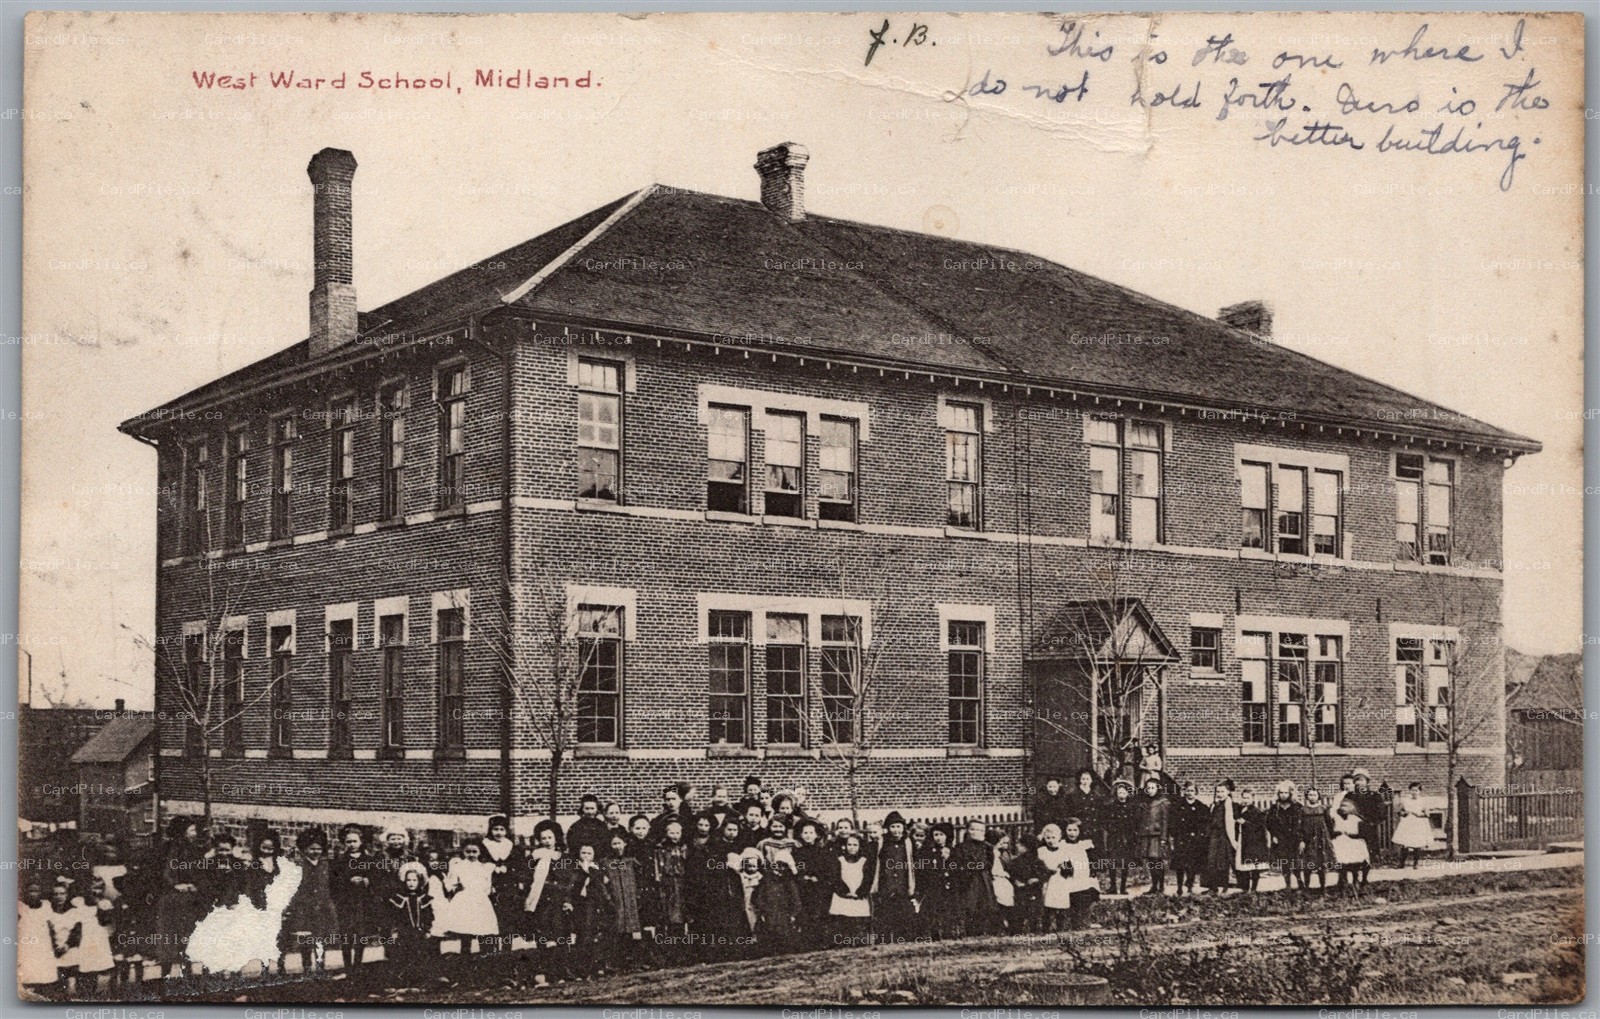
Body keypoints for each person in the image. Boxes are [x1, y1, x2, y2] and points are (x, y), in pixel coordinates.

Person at [153, 816, 207, 976]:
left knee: (188, 936)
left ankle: (188, 975)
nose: (195, 833)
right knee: (169, 937)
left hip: (189, 899)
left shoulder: (194, 850)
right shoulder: (168, 849)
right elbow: (164, 872)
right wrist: (175, 885)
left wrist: (196, 885)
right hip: (172, 899)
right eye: (191, 830)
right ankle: (166, 975)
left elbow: (200, 873)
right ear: (182, 832)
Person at [282, 828, 340, 974]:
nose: (316, 852)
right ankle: (307, 967)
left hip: (324, 906)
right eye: (312, 848)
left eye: (319, 849)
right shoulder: (298, 866)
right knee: (306, 939)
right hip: (304, 908)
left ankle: (323, 967)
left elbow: (333, 885)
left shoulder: (326, 865)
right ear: (304, 849)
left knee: (324, 937)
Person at [332, 825, 378, 974]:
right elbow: (334, 881)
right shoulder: (340, 860)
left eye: (354, 841)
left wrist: (366, 880)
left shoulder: (369, 860)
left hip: (363, 903)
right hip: (346, 903)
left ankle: (357, 965)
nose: (351, 844)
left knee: (361, 935)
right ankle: (347, 967)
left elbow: (376, 878)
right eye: (348, 841)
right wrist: (348, 881)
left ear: (361, 842)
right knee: (346, 936)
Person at [1038, 820, 1096, 931]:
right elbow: (1039, 867)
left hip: (1061, 881)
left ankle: (1061, 928)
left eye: (1053, 838)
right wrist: (1048, 870)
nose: (1050, 841)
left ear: (1059, 837)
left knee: (1061, 904)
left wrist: (1064, 867)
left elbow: (1070, 868)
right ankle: (1046, 928)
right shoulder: (1042, 851)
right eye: (1048, 838)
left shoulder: (1063, 851)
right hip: (1048, 881)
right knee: (1048, 905)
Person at [565, 844, 614, 979]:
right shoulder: (575, 869)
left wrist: (608, 901)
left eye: (589, 853)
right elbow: (570, 887)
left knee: (598, 935)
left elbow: (603, 887)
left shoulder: (597, 869)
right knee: (583, 935)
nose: (586, 856)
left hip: (596, 904)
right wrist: (568, 902)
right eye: (583, 853)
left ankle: (598, 966)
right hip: (581, 905)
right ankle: (582, 969)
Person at [442, 839, 499, 953]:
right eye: (468, 851)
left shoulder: (485, 867)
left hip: (480, 900)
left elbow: (487, 885)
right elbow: (450, 884)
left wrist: (484, 893)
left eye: (474, 851)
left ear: (479, 852)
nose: (471, 854)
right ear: (463, 852)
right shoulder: (458, 866)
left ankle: (485, 955)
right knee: (465, 929)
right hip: (464, 900)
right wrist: (457, 887)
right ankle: (465, 956)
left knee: (483, 928)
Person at [482, 814, 528, 952]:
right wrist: (492, 868)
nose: (498, 833)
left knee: (507, 919)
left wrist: (511, 873)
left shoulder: (511, 847)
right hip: (491, 887)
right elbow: (481, 864)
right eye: (495, 829)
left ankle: (507, 951)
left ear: (506, 831)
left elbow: (519, 866)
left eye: (502, 829)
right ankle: (489, 951)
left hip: (508, 888)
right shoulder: (484, 846)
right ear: (490, 830)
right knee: (490, 919)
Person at [602, 832, 646, 970]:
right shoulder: (606, 863)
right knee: (617, 929)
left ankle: (635, 961)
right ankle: (617, 962)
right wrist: (608, 899)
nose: (617, 847)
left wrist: (639, 895)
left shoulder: (631, 861)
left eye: (619, 843)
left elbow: (641, 879)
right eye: (614, 844)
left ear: (625, 844)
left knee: (634, 930)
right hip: (616, 902)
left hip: (631, 901)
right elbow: (602, 884)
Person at [949, 819, 1000, 936]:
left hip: (983, 879)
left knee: (985, 905)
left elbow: (989, 863)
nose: (981, 832)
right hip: (968, 880)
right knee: (970, 906)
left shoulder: (987, 847)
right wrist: (973, 866)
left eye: (983, 830)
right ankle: (970, 931)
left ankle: (982, 931)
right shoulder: (960, 848)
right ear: (969, 831)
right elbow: (957, 864)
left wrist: (982, 867)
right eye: (977, 829)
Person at [871, 811, 917, 941]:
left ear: (903, 827)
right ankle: (886, 940)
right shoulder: (883, 843)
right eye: (893, 827)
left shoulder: (908, 843)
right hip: (887, 885)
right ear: (888, 828)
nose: (896, 830)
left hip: (903, 885)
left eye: (898, 826)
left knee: (904, 913)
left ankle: (904, 940)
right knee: (886, 914)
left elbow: (914, 863)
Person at [387, 861, 436, 972]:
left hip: (420, 931)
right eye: (408, 880)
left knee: (420, 953)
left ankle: (420, 978)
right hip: (404, 932)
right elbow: (395, 916)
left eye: (414, 880)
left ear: (420, 881)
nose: (411, 883)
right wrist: (395, 930)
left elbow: (428, 915)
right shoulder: (400, 898)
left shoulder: (424, 898)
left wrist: (427, 929)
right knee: (404, 954)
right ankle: (405, 978)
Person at [791, 819, 833, 946]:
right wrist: (803, 877)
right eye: (805, 833)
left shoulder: (823, 852)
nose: (808, 835)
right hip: (804, 888)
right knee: (805, 914)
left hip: (819, 889)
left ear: (816, 835)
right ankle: (807, 942)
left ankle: (821, 941)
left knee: (819, 913)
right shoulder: (797, 853)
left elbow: (827, 870)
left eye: (811, 832)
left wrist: (818, 878)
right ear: (801, 835)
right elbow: (796, 869)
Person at [915, 822, 956, 940]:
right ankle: (934, 935)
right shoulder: (928, 851)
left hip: (949, 886)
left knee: (948, 911)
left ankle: (949, 934)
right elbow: (923, 870)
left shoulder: (953, 851)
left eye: (941, 834)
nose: (938, 838)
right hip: (934, 886)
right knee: (933, 911)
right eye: (935, 835)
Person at [828, 833, 873, 941]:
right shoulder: (840, 860)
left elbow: (868, 878)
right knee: (842, 921)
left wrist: (860, 892)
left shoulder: (864, 861)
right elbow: (835, 877)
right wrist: (844, 891)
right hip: (843, 896)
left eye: (855, 845)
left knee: (858, 922)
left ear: (860, 846)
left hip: (858, 895)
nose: (852, 847)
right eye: (849, 844)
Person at [1131, 776, 1169, 895]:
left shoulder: (1163, 803)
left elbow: (1165, 822)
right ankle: (1154, 886)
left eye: (1153, 787)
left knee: (1157, 862)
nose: (1151, 790)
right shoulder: (1143, 803)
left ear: (1157, 788)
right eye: (1148, 788)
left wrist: (1163, 838)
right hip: (1146, 836)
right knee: (1151, 863)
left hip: (1156, 837)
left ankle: (1161, 886)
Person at [1169, 781, 1209, 896]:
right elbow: (1173, 823)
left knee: (1192, 864)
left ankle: (1190, 885)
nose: (1190, 793)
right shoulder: (1177, 806)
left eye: (1192, 791)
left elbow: (1205, 823)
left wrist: (1200, 836)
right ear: (1184, 791)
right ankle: (1179, 887)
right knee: (1180, 865)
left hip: (1195, 840)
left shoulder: (1201, 807)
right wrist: (1175, 835)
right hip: (1181, 839)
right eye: (1188, 790)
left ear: (1196, 792)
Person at [19, 883, 59, 994]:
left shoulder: (46, 906)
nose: (33, 894)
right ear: (26, 892)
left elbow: (51, 925)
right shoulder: (20, 907)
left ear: (41, 893)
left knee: (45, 975)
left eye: (36, 891)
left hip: (43, 945)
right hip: (27, 945)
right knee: (28, 974)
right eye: (31, 891)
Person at [1264, 781, 1304, 890]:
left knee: (1295, 862)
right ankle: (1288, 885)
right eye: (1281, 792)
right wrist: (1274, 835)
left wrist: (1301, 839)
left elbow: (1302, 824)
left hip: (1294, 838)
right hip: (1281, 838)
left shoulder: (1297, 807)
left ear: (1290, 793)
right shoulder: (1275, 808)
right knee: (1284, 862)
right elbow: (1269, 823)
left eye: (1286, 792)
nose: (1283, 795)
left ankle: (1300, 882)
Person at [1297, 788, 1335, 892]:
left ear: (1318, 796)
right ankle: (1307, 887)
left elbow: (1329, 824)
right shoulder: (1303, 810)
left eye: (1314, 795)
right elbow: (1299, 827)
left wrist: (1331, 838)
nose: (1312, 797)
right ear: (1306, 797)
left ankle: (1323, 888)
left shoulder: (1323, 809)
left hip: (1321, 840)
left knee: (1321, 864)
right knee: (1308, 865)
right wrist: (1301, 840)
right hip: (1308, 840)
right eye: (1310, 795)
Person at [1203, 780, 1239, 894]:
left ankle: (1225, 886)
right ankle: (1212, 887)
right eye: (1218, 791)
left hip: (1224, 835)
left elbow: (1233, 822)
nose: (1220, 794)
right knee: (1211, 861)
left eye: (1222, 791)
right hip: (1214, 835)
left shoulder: (1231, 805)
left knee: (1223, 862)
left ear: (1228, 792)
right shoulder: (1215, 805)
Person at [1234, 786, 1271, 893]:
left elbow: (1258, 827)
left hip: (1254, 842)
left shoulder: (1257, 812)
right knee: (1244, 866)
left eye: (1248, 798)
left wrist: (1244, 823)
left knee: (1253, 866)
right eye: (1244, 798)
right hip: (1243, 840)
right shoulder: (1240, 810)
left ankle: (1254, 888)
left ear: (1253, 799)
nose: (1245, 800)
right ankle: (1245, 888)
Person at [1348, 770, 1387, 867]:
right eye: (1356, 780)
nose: (1358, 782)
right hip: (1354, 826)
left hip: (1369, 826)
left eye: (1361, 780)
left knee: (1370, 847)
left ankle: (1370, 865)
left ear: (1367, 781)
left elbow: (1381, 811)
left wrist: (1373, 821)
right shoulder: (1350, 796)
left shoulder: (1374, 796)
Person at [1331, 798, 1370, 895]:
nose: (1343, 808)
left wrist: (1351, 835)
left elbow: (1362, 834)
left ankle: (1356, 881)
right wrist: (1337, 833)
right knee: (1341, 863)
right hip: (1340, 843)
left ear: (1352, 808)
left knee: (1356, 863)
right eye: (1342, 806)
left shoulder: (1356, 819)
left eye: (1346, 806)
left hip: (1354, 842)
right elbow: (1332, 832)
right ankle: (1342, 883)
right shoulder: (1335, 818)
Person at [1391, 782, 1433, 868]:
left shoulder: (1422, 801)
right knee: (1404, 843)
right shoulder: (1406, 800)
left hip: (1418, 824)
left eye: (1416, 790)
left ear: (1419, 791)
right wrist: (1403, 813)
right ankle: (1401, 863)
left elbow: (1427, 814)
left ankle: (1416, 863)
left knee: (1417, 844)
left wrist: (1418, 814)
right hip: (1407, 824)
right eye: (1412, 790)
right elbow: (1399, 811)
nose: (1414, 792)